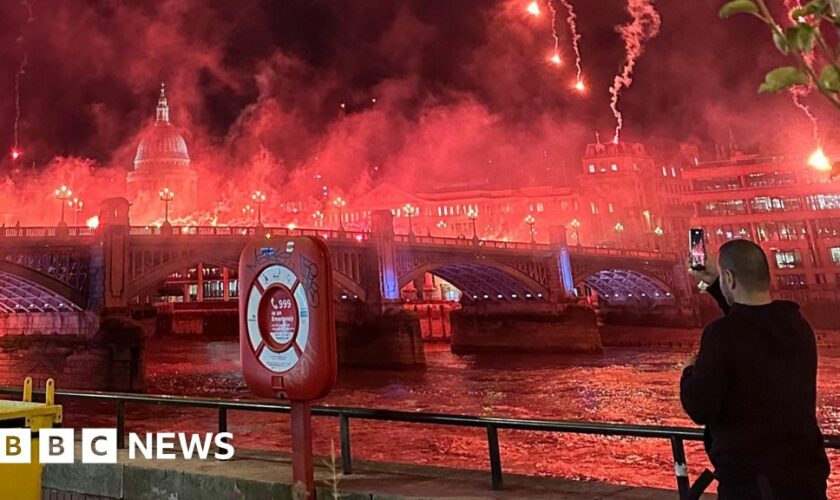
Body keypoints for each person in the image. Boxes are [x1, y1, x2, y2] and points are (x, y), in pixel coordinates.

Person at [681, 239, 829, 499]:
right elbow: (751, 326)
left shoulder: (721, 335)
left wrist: (689, 372)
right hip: (807, 477)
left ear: (729, 277)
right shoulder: (798, 327)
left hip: (752, 483)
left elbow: (699, 407)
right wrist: (718, 285)